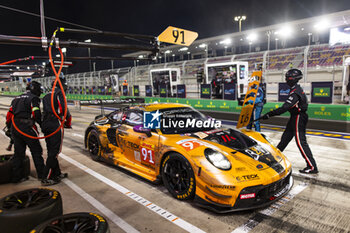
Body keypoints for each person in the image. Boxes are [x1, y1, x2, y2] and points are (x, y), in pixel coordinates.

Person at [261, 68, 318, 174]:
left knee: (301, 142)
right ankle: (273, 159)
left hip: (298, 117)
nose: (286, 79)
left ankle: (312, 166)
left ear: (293, 78)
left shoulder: (295, 92)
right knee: (284, 140)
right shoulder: (295, 89)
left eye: (288, 77)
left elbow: (284, 108)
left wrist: (269, 114)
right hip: (294, 117)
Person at [6, 81, 45, 183]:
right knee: (36, 151)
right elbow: (36, 114)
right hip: (27, 127)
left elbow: (9, 115)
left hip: (15, 128)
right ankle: (42, 175)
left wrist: (10, 129)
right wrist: (41, 125)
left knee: (18, 153)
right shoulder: (33, 98)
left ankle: (17, 177)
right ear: (35, 89)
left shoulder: (16, 98)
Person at [41, 75, 72, 186]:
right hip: (55, 123)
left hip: (46, 123)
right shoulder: (59, 93)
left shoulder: (46, 95)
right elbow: (64, 109)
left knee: (51, 150)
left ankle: (56, 173)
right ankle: (46, 177)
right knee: (55, 151)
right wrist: (67, 122)